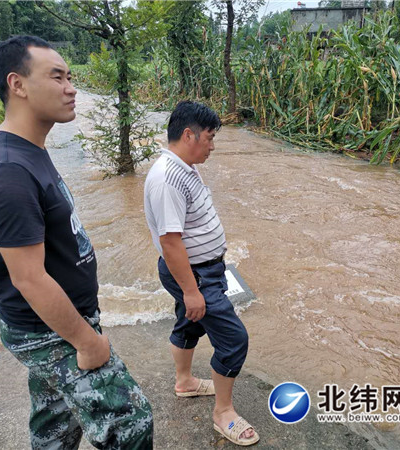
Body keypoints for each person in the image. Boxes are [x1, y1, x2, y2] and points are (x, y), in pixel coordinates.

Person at [0, 35, 153, 449]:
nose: (71, 88)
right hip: (49, 330)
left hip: (56, 322)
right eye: (57, 77)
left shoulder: (27, 150)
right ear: (17, 84)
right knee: (130, 422)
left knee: (56, 424)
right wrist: (88, 342)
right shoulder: (8, 171)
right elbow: (29, 279)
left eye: (70, 76)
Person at [143, 101, 259, 446]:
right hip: (194, 274)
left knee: (189, 322)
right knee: (234, 339)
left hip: (202, 270)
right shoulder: (167, 178)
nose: (212, 145)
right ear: (188, 134)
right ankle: (223, 413)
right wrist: (192, 291)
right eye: (209, 138)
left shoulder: (184, 166)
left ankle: (185, 382)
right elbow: (170, 240)